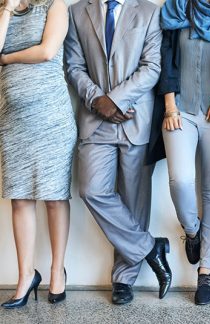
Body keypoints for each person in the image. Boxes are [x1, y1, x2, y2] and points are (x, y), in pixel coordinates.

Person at [64, 0, 172, 305]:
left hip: (134, 117)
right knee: (91, 190)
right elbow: (73, 66)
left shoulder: (150, 12)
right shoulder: (76, 12)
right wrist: (99, 101)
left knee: (134, 201)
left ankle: (124, 277)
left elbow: (152, 67)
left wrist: (117, 100)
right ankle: (150, 248)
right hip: (94, 120)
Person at [147, 0, 210, 305]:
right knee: (180, 180)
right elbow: (164, 58)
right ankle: (193, 232)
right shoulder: (176, 8)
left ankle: (206, 272)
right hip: (178, 110)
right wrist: (169, 105)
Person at [0, 0, 77, 309]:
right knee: (20, 198)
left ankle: (57, 271)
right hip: (12, 122)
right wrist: (6, 8)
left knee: (55, 197)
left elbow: (47, 51)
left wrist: (5, 59)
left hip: (52, 120)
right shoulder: (2, 10)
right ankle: (25, 276)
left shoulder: (55, 5)